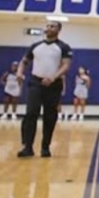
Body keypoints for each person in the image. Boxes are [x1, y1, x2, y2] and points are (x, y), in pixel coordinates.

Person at [17, 20, 71, 158]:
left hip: (53, 85)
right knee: (31, 113)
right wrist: (19, 72)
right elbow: (24, 61)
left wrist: (53, 77)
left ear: (58, 30)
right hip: (36, 83)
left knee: (50, 116)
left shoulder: (63, 47)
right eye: (47, 26)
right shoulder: (35, 46)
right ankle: (27, 147)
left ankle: (45, 147)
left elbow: (66, 65)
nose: (48, 28)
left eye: (52, 26)